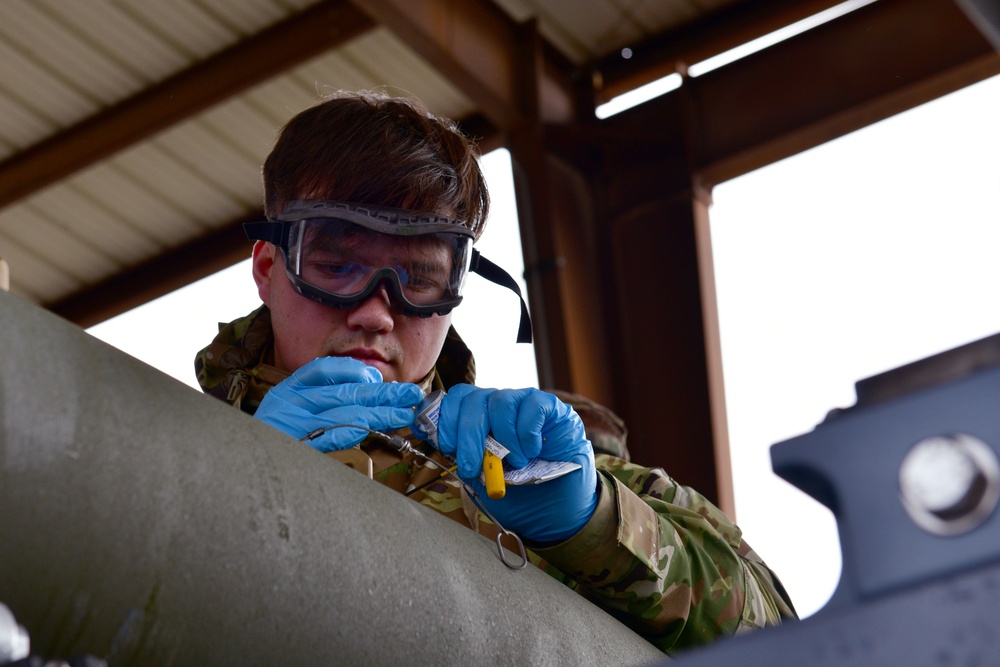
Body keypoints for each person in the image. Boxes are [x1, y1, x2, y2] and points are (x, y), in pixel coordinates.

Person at [194, 90, 796, 654]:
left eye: (418, 277)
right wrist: (233, 492)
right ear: (270, 267)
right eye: (333, 263)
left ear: (455, 292)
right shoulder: (172, 450)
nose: (375, 311)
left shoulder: (544, 469)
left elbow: (796, 647)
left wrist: (594, 527)